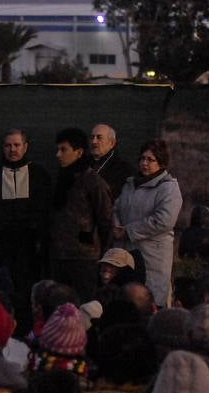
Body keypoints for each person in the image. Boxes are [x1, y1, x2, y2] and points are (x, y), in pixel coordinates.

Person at [0, 128, 51, 315]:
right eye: (8, 145)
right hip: (0, 245)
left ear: (25, 147)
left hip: (30, 245)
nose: (12, 150)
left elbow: (45, 211)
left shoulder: (39, 176)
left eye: (17, 145)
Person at [113, 139, 182, 308]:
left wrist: (128, 231)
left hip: (152, 254)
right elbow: (117, 207)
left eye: (150, 160)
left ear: (161, 162)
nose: (144, 163)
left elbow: (164, 220)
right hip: (127, 251)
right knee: (127, 298)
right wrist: (116, 227)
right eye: (143, 158)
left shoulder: (168, 188)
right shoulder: (131, 184)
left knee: (150, 298)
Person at [50, 127, 113, 302]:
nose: (59, 154)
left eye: (64, 150)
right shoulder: (63, 178)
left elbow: (105, 219)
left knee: (84, 304)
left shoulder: (92, 181)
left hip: (83, 257)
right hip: (61, 255)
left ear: (78, 152)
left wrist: (102, 254)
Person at [89, 123, 133, 199]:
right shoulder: (82, 163)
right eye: (92, 137)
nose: (94, 141)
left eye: (99, 137)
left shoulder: (124, 170)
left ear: (112, 143)